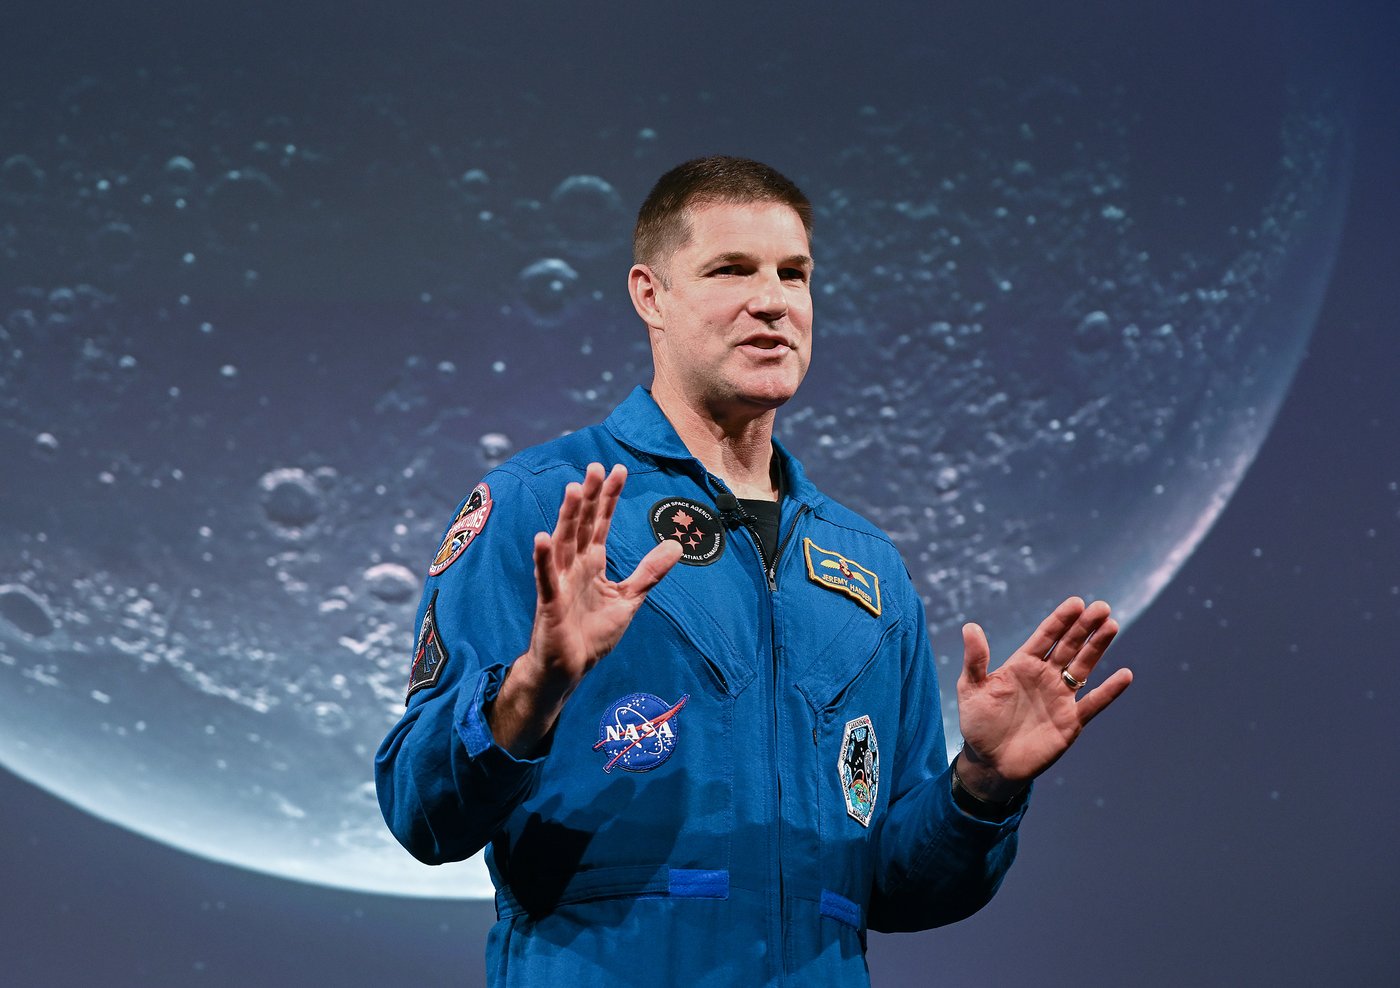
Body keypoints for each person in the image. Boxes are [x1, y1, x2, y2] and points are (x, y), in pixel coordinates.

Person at [375, 156, 1132, 985]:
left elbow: (897, 888)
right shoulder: (542, 505)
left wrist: (981, 788)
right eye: (731, 270)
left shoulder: (869, 569)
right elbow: (422, 813)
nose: (773, 300)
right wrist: (534, 686)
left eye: (793, 274)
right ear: (651, 295)